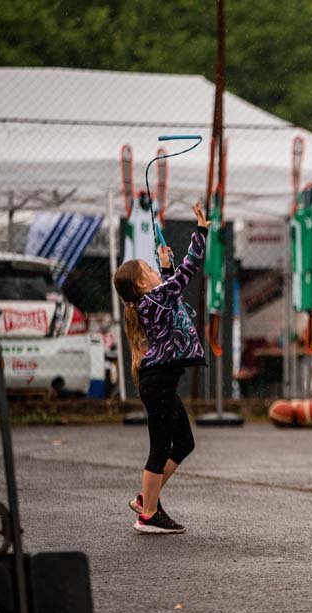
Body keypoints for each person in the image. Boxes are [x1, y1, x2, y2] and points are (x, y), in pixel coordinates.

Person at [112, 203, 210, 534]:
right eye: (150, 269)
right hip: (158, 384)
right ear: (142, 283)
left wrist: (165, 268)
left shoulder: (152, 300)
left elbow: (171, 295)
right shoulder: (153, 299)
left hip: (162, 383)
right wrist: (201, 231)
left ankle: (146, 499)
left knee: (183, 443)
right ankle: (148, 515)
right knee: (159, 450)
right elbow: (188, 270)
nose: (155, 270)